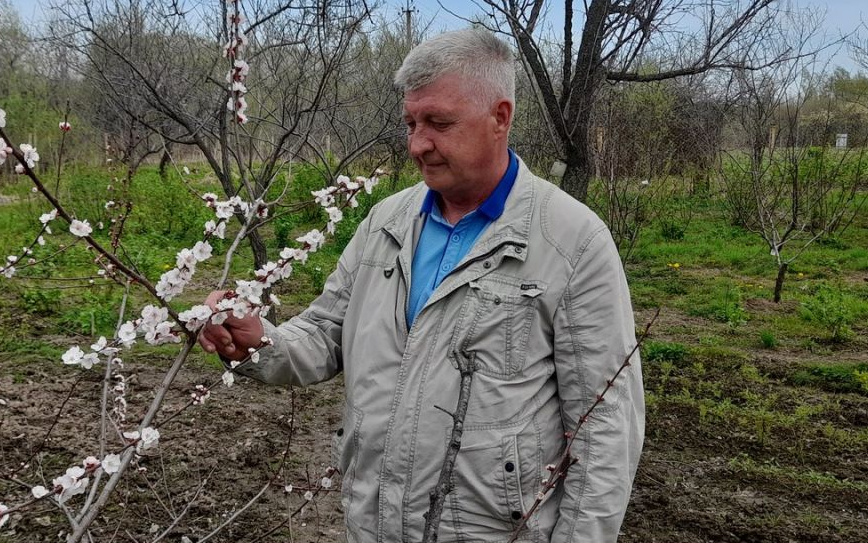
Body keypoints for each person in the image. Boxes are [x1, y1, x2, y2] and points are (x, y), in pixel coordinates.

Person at [200, 28, 644, 543]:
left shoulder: (571, 241)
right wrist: (260, 342)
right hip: (373, 523)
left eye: (439, 123)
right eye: (411, 123)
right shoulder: (387, 222)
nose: (418, 144)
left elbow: (606, 424)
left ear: (500, 117)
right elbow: (325, 334)